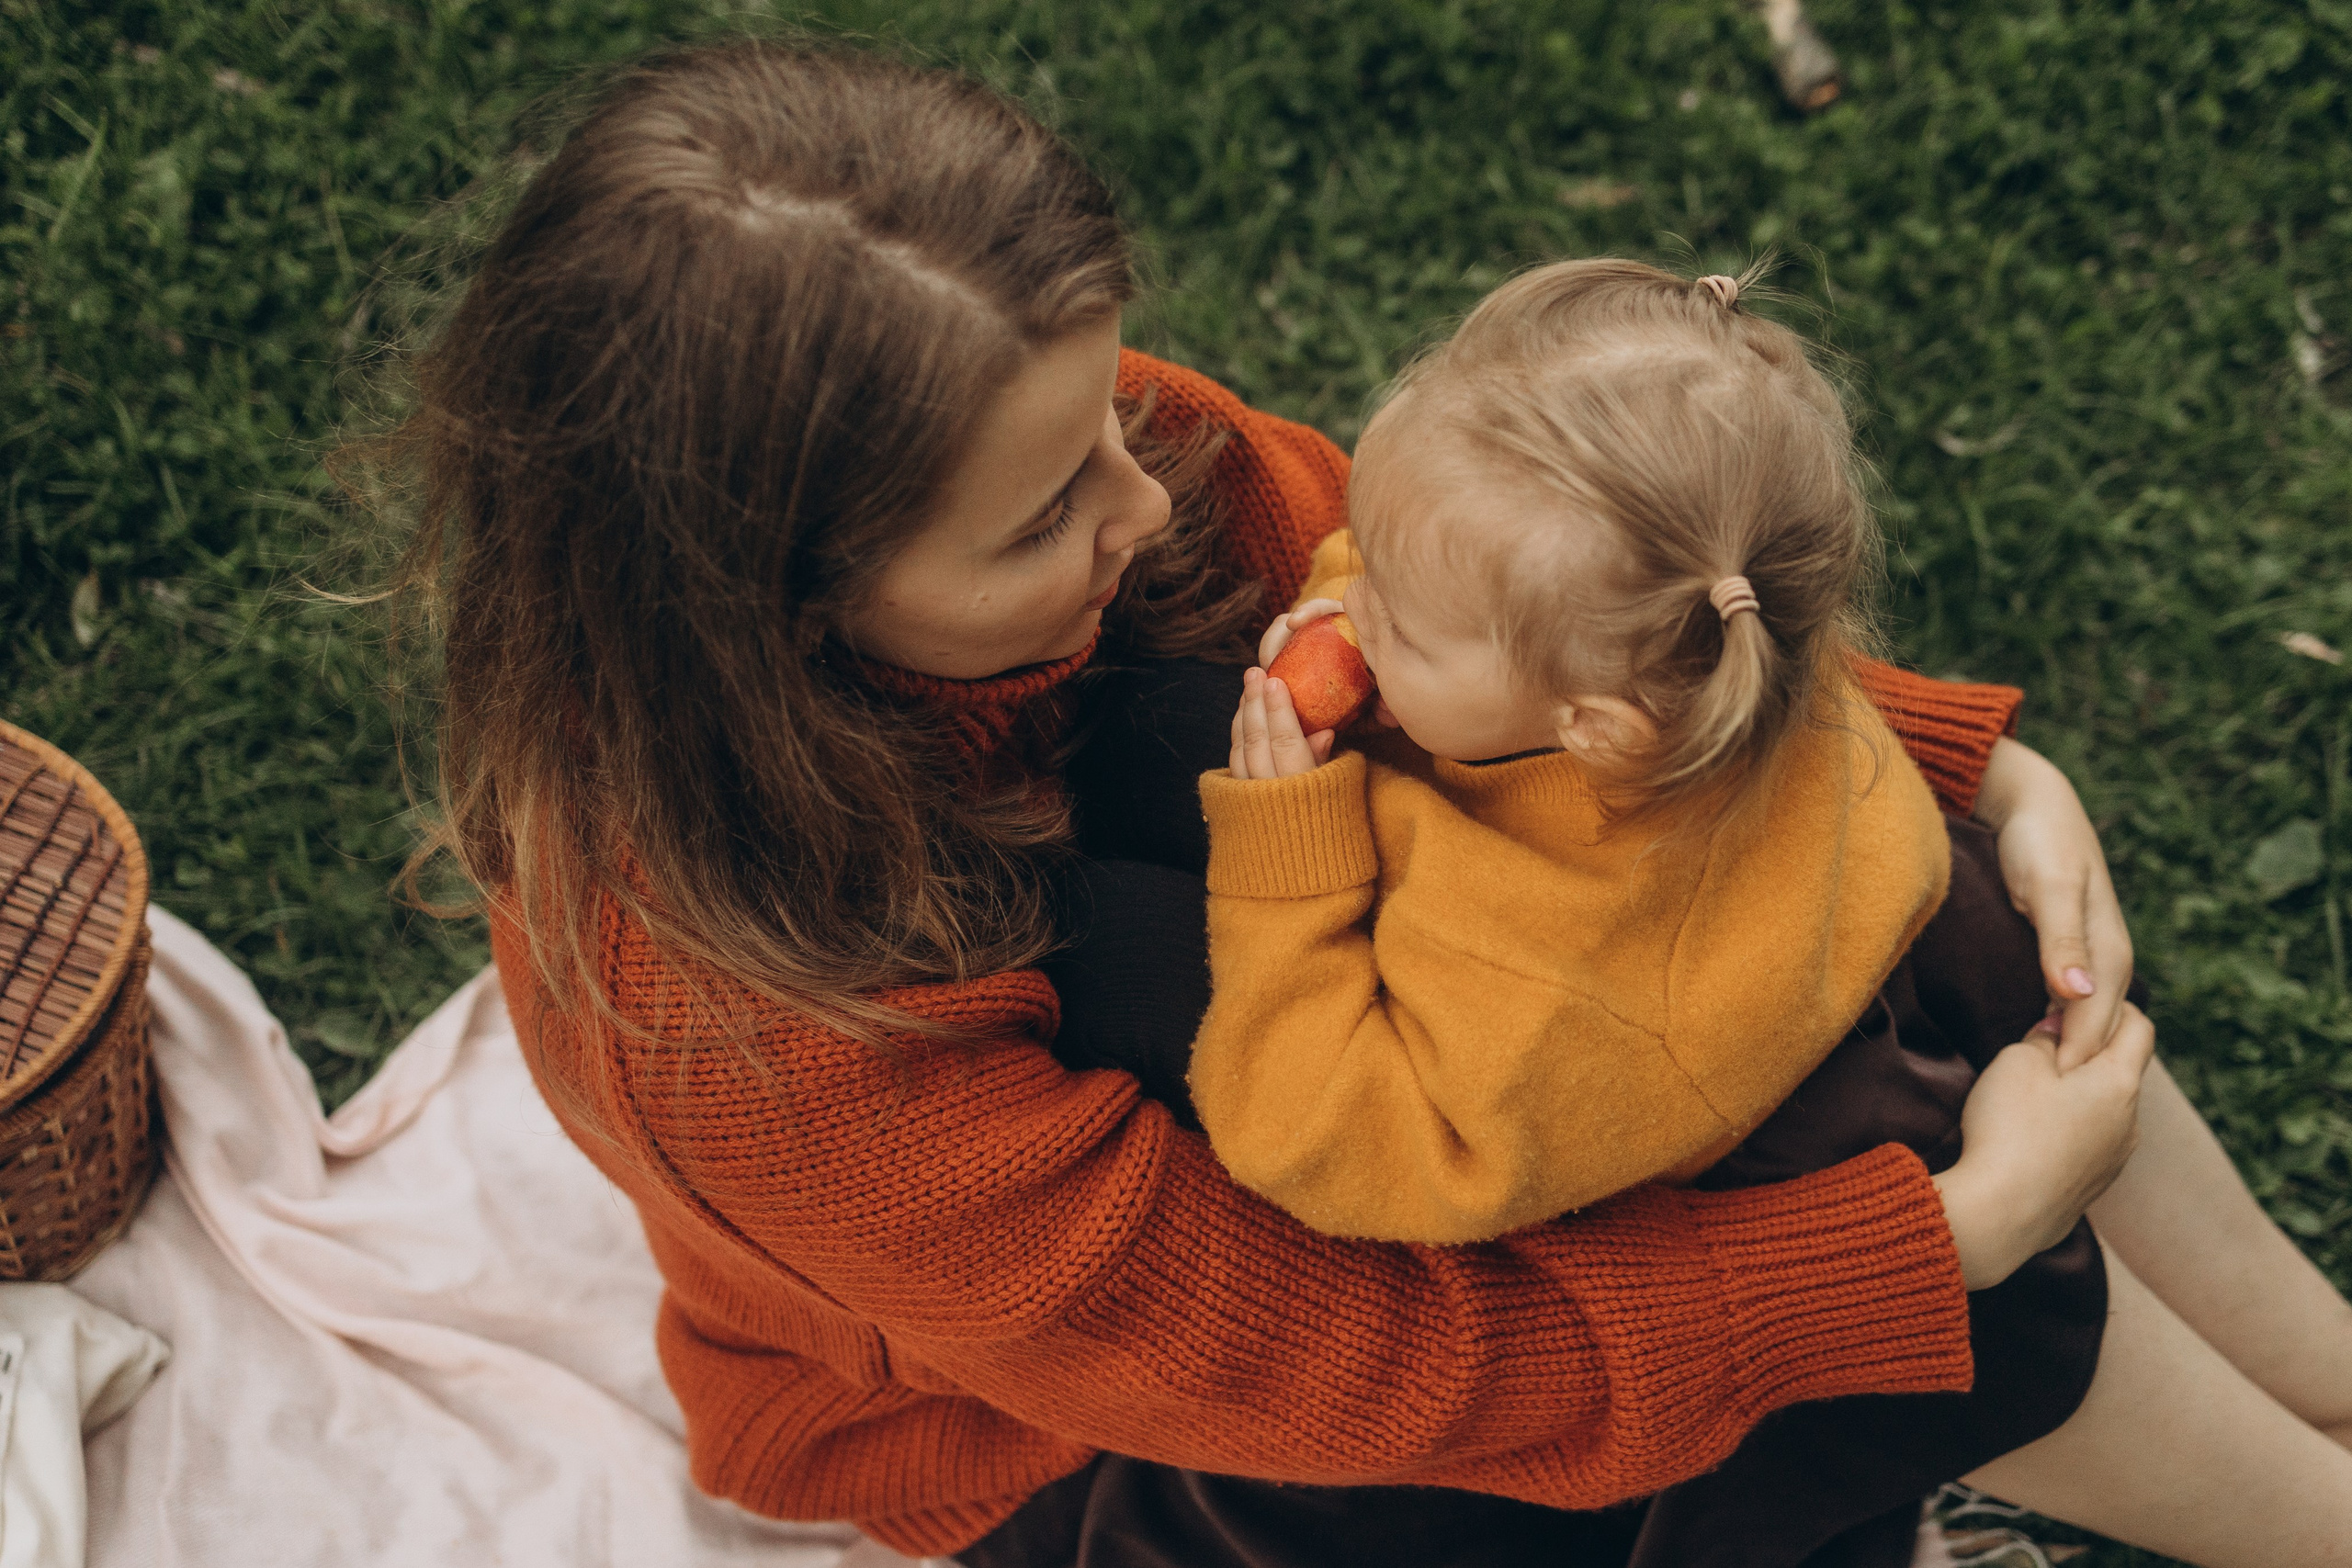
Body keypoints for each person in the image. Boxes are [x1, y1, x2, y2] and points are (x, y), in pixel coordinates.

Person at [368, 38, 2162, 1568]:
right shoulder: (747, 1032)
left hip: (1279, 1050)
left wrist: (1948, 756)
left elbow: (1486, 614)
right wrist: (1936, 1242)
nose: (1143, 499)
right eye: (1041, 516)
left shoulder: (1075, 446)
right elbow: (1365, 1367)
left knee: (1897, 897)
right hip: (1102, 1448)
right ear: (777, 601)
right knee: (1806, 1182)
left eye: (1111, 423)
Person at [1174, 257, 2352, 1566]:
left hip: (1853, 1211)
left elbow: (1321, 1135)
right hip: (1959, 999)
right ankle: (2332, 1384)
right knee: (2318, 1382)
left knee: (2241, 1483)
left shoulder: (1572, 1002)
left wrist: (1286, 852)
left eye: (1399, 615)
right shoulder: (1707, 673)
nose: (1342, 601)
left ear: (1595, 726)